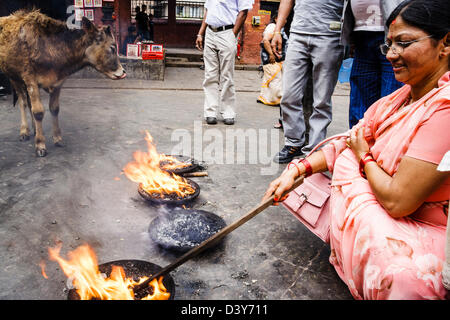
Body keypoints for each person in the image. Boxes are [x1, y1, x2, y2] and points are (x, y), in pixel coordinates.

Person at [262, 0, 450, 299]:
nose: (391, 55)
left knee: (398, 271)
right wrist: (297, 170)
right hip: (388, 198)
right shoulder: (398, 99)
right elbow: (350, 138)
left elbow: (398, 202)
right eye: (388, 45)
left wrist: (361, 156)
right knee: (325, 164)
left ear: (446, 43)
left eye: (403, 43)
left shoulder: (445, 108)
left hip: (427, 226)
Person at [271, 0, 345, 163]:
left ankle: (314, 149)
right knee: (289, 95)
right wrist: (277, 30)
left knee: (321, 100)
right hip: (297, 34)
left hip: (329, 35)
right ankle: (293, 143)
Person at [342, 0, 404, 128]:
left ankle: (384, 145)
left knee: (391, 100)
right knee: (360, 102)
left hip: (392, 33)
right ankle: (357, 142)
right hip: (361, 33)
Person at [195, 0, 254, 125]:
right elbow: (207, 12)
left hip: (227, 32)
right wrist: (200, 34)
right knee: (210, 75)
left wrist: (233, 35)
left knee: (227, 75)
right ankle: (210, 112)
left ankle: (228, 112)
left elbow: (243, 12)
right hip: (210, 33)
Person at [257, 11, 288, 129]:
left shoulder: (278, 28)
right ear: (276, 19)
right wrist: (271, 54)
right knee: (276, 80)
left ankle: (266, 98)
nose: (285, 20)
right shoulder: (273, 27)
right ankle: (277, 100)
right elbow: (265, 40)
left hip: (278, 59)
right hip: (271, 59)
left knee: (271, 79)